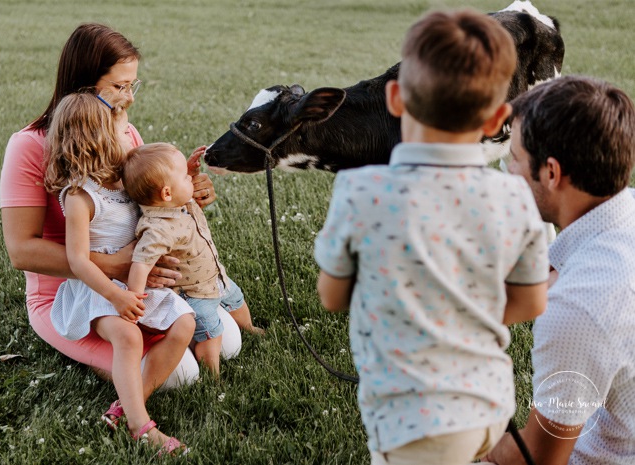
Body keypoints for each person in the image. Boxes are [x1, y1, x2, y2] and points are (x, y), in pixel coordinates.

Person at [314, 9, 549, 465]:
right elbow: (532, 302)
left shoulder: (360, 191)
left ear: (396, 98)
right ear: (499, 116)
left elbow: (332, 295)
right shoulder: (514, 196)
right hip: (491, 406)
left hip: (414, 420)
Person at [0, 22, 241, 426]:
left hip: (135, 284)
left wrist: (184, 193)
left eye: (133, 85)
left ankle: (138, 356)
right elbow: (20, 250)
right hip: (71, 293)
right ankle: (100, 366)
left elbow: (144, 205)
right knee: (181, 375)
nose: (129, 97)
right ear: (82, 87)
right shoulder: (28, 146)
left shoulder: (125, 132)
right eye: (118, 86)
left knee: (226, 342)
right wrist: (118, 265)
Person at [484, 77, 635, 465]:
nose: (507, 170)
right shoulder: (623, 211)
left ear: (551, 173)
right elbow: (557, 269)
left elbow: (536, 457)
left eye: (513, 158)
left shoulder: (578, 308)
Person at [43, 91, 195, 453]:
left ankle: (124, 407)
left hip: (131, 283)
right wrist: (114, 295)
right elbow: (78, 261)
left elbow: (161, 198)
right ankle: (142, 427)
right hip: (96, 290)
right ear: (98, 138)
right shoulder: (80, 197)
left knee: (185, 323)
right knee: (128, 338)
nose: (129, 129)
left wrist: (186, 181)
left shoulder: (124, 181)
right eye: (121, 123)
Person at [122, 142, 263, 376]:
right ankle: (212, 372)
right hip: (193, 292)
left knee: (236, 299)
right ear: (167, 192)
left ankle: (249, 327)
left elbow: (183, 189)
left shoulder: (179, 202)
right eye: (185, 178)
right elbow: (141, 263)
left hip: (214, 276)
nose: (191, 180)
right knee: (211, 332)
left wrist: (189, 170)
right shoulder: (158, 229)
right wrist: (134, 297)